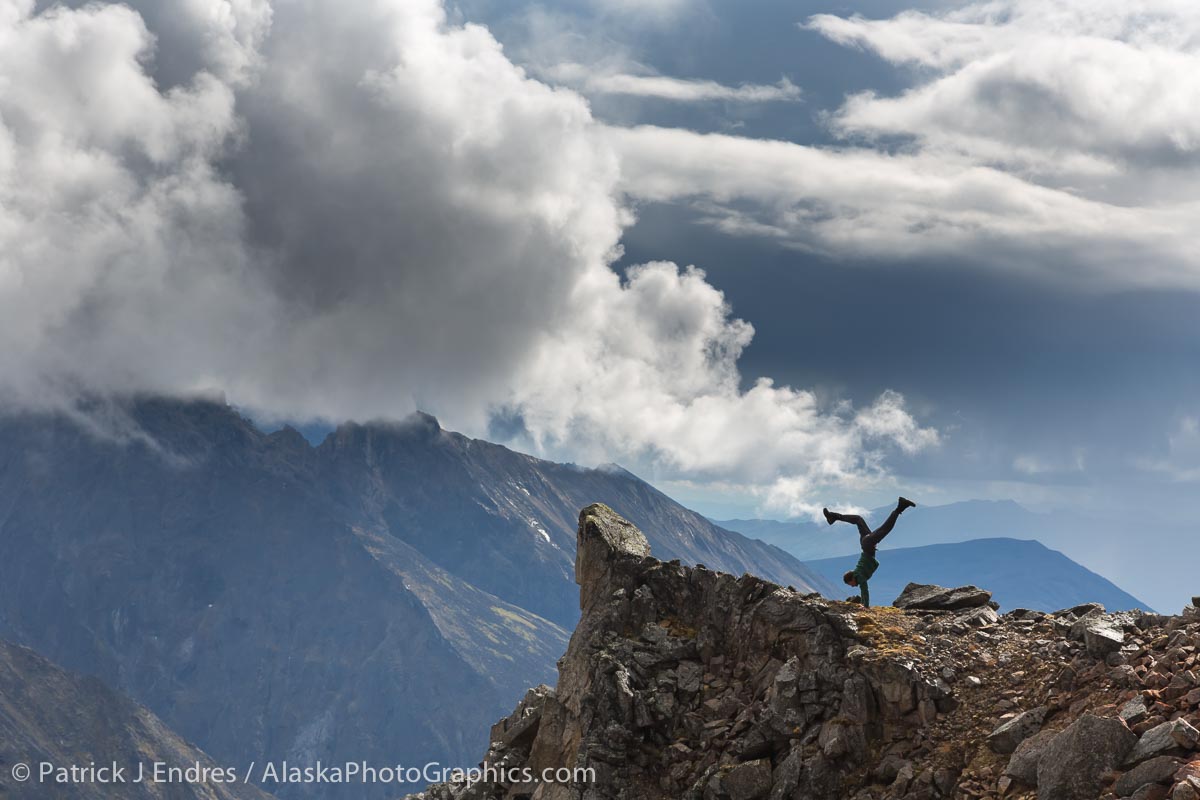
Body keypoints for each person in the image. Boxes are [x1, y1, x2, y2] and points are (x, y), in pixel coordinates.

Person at [823, 497, 916, 607]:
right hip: (865, 544)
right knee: (858, 519)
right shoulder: (857, 573)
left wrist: (865, 606)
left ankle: (900, 507)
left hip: (868, 545)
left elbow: (865, 591)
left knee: (885, 529)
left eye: (850, 584)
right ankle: (833, 516)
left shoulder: (859, 576)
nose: (853, 586)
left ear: (852, 579)